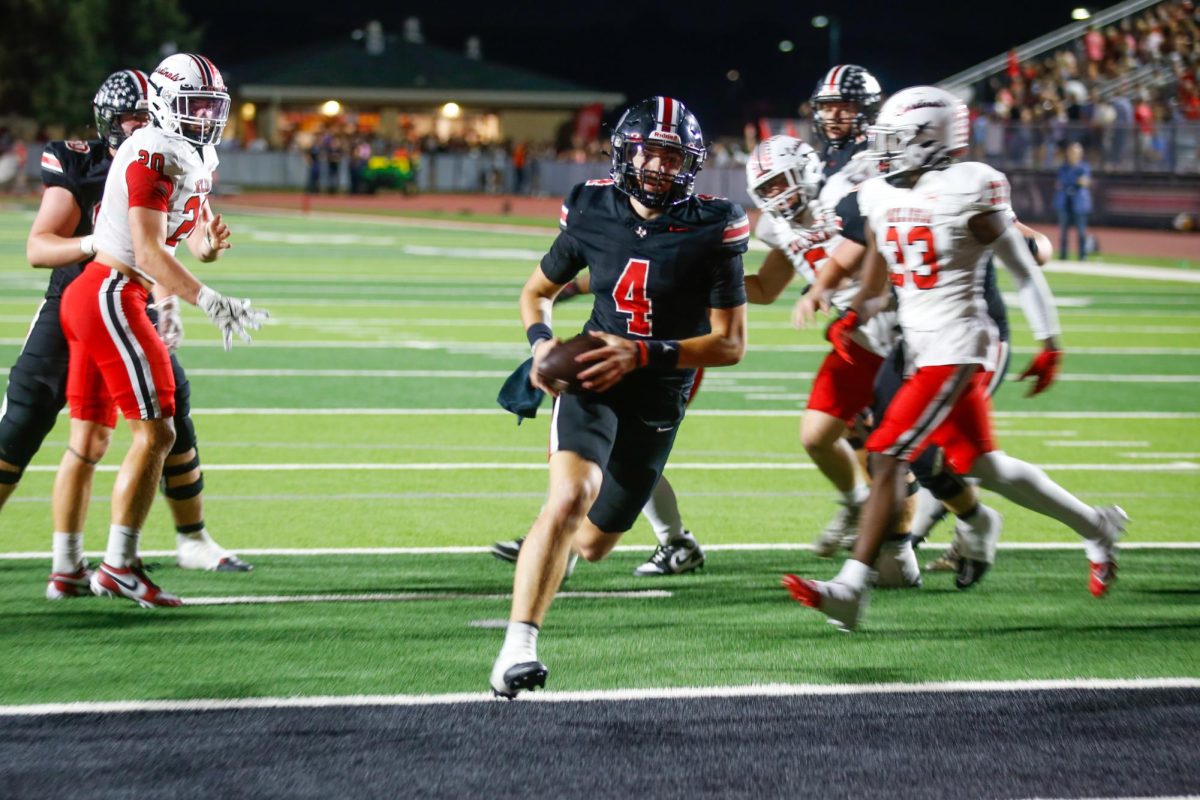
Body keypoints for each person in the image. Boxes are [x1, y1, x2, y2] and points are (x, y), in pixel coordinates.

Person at [782, 86, 1127, 631]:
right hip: (917, 344)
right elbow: (877, 284)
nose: (883, 150)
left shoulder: (970, 186)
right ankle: (1095, 526)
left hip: (961, 344)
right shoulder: (878, 194)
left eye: (895, 140)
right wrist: (853, 314)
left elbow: (1020, 266)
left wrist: (1050, 341)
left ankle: (851, 588)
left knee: (889, 451)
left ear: (930, 139)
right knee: (982, 465)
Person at [490, 96, 749, 697]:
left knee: (596, 541)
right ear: (624, 151)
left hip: (658, 387)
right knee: (569, 497)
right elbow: (537, 292)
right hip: (592, 375)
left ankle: (564, 553)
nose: (659, 167)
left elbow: (730, 344)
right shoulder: (591, 205)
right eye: (650, 152)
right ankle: (516, 650)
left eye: (673, 156)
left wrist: (644, 352)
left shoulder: (715, 223)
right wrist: (541, 346)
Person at [0, 69, 254, 602]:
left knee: (118, 431)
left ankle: (93, 563)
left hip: (118, 294)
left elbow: (179, 241)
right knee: (55, 423)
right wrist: (205, 299)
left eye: (210, 106)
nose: (204, 116)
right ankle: (118, 565)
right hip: (103, 293)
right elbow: (140, 250)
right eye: (129, 117)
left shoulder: (184, 153)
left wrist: (201, 253)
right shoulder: (145, 154)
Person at [491, 270, 709, 577]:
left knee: (627, 452)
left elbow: (754, 291)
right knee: (582, 453)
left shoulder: (700, 233)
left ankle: (671, 540)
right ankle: (555, 534)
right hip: (610, 351)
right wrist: (569, 289)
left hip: (663, 365)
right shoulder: (617, 226)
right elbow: (619, 266)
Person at [810, 65, 882, 177]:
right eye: (827, 109)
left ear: (868, 110)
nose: (833, 117)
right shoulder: (829, 150)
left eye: (845, 109)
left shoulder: (876, 153)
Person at [1054, 142, 1092, 260]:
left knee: (1081, 232)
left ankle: (1082, 257)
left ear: (1080, 154)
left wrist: (1074, 182)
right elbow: (1060, 182)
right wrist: (1076, 181)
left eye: (1075, 152)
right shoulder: (1063, 167)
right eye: (1071, 152)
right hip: (1065, 202)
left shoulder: (1084, 167)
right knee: (1063, 232)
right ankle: (1063, 256)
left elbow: (1085, 181)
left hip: (1079, 203)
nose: (1073, 155)